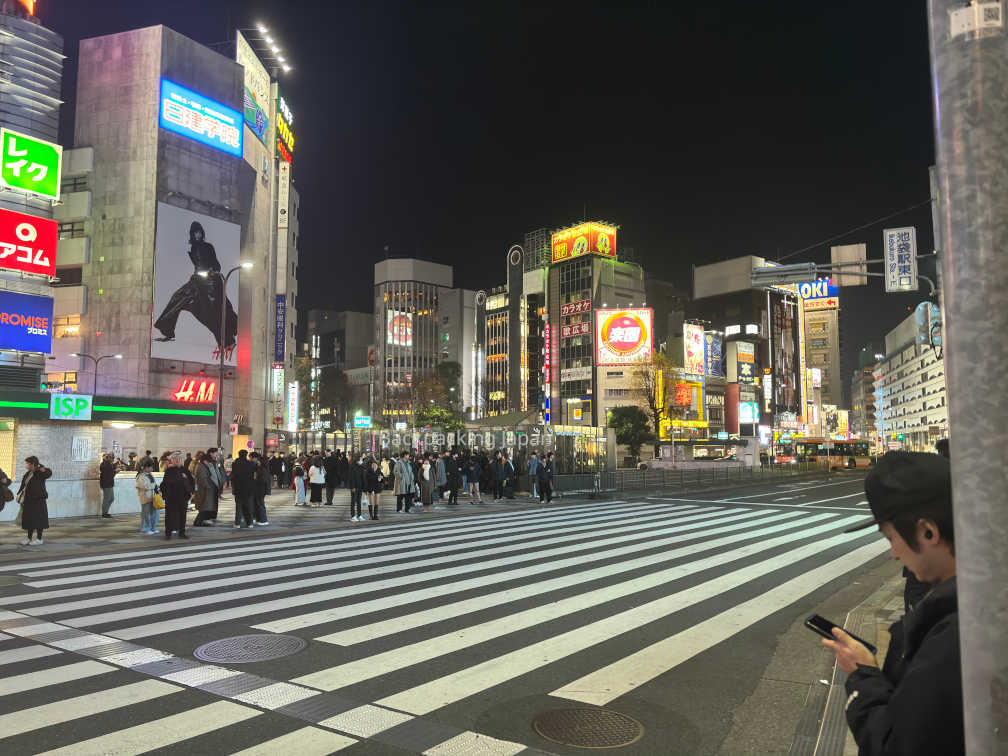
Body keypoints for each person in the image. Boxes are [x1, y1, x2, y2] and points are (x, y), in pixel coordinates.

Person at [822, 451, 962, 756]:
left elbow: (894, 745)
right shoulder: (979, 601)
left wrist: (863, 675)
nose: (894, 554)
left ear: (928, 532)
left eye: (890, 538)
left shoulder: (954, 640)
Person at [153, 220, 238, 350]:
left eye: (198, 232)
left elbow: (217, 265)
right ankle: (167, 330)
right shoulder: (193, 248)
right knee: (178, 297)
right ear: (192, 235)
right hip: (197, 281)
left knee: (213, 313)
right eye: (194, 233)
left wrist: (211, 271)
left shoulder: (208, 246)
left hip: (211, 284)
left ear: (201, 233)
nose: (197, 235)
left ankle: (227, 341)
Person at [16, 456, 51, 546]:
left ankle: (39, 539)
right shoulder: (29, 473)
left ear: (32, 464)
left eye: (27, 463)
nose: (26, 465)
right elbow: (24, 485)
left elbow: (48, 473)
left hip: (38, 500)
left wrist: (44, 469)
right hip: (28, 500)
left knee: (39, 519)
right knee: (29, 520)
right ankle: (29, 538)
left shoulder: (39, 473)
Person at [160, 451, 192, 540]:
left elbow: (191, 481)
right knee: (169, 516)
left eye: (180, 459)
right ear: (172, 460)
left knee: (183, 515)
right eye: (175, 459)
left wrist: (189, 491)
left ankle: (182, 533)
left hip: (183, 497)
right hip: (171, 497)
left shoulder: (185, 470)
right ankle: (168, 533)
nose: (178, 461)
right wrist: (182, 478)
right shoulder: (169, 470)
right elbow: (166, 483)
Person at [193, 448, 222, 526]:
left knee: (207, 507)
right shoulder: (201, 466)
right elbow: (202, 478)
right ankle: (198, 522)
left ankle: (204, 521)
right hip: (204, 490)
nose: (209, 463)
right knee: (204, 507)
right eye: (208, 461)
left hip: (208, 489)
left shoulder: (205, 466)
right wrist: (208, 486)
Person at [230, 449, 256, 526]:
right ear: (246, 455)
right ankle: (250, 523)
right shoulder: (250, 464)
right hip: (248, 488)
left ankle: (237, 523)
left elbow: (233, 476)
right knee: (248, 506)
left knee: (238, 506)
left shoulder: (235, 464)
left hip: (238, 488)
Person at [135, 459, 159, 535]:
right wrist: (153, 486)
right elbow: (143, 486)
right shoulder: (140, 476)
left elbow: (153, 484)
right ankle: (145, 529)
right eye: (151, 467)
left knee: (154, 513)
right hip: (145, 497)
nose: (152, 469)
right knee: (146, 514)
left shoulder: (150, 475)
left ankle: (152, 528)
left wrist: (156, 487)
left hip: (153, 497)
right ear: (146, 467)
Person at [250, 451, 270, 526]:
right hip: (259, 489)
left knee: (260, 504)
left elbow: (262, 480)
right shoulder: (261, 468)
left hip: (260, 489)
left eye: (251, 458)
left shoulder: (262, 469)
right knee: (258, 504)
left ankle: (263, 520)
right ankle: (259, 519)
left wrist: (255, 480)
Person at [99, 453, 117, 518]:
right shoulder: (105, 464)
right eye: (112, 458)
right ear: (108, 458)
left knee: (111, 498)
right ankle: (104, 513)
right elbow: (109, 475)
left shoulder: (109, 464)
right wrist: (115, 472)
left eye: (113, 458)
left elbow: (110, 474)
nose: (113, 460)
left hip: (109, 483)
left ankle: (105, 512)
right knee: (107, 499)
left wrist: (115, 471)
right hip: (106, 484)